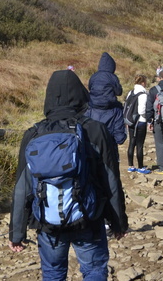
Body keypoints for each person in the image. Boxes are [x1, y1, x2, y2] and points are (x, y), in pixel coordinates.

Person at [9, 70, 128, 281]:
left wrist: (16, 233)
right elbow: (111, 181)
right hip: (89, 220)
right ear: (81, 95)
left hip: (48, 224)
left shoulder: (33, 134)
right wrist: (118, 222)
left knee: (53, 274)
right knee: (94, 271)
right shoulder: (96, 130)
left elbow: (21, 188)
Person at [86, 52, 126, 145]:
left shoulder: (94, 76)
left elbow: (89, 87)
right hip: (110, 109)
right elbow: (119, 92)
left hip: (93, 108)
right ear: (112, 66)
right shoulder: (113, 77)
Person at [125, 74, 150, 174]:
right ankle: (141, 167)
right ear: (143, 83)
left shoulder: (130, 92)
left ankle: (131, 166)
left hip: (130, 121)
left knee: (131, 142)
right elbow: (142, 110)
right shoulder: (143, 94)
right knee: (140, 144)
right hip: (140, 122)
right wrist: (148, 117)